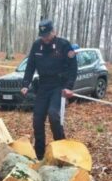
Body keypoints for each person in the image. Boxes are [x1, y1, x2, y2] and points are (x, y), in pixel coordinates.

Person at [20, 20, 78, 160]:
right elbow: (30, 66)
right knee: (37, 119)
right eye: (42, 35)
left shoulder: (64, 45)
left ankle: (61, 149)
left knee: (53, 114)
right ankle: (39, 154)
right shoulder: (37, 45)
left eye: (47, 34)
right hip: (43, 85)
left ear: (54, 32)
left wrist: (69, 87)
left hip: (58, 85)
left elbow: (73, 68)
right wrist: (25, 84)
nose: (45, 38)